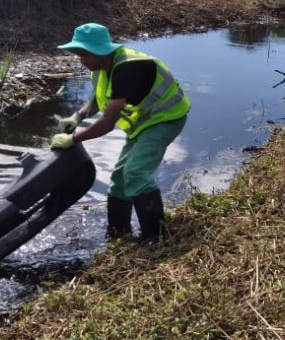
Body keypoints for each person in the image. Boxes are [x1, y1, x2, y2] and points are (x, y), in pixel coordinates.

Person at [50, 23, 190, 241]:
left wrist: (73, 138)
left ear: (99, 51)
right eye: (79, 54)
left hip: (166, 118)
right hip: (144, 123)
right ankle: (118, 234)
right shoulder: (101, 68)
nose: (81, 60)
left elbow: (107, 124)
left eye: (84, 54)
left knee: (135, 173)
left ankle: (157, 238)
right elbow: (98, 100)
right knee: (118, 180)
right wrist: (77, 117)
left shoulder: (126, 69)